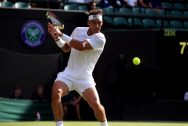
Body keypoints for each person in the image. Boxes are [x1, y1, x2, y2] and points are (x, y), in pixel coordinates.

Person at [48, 9, 108, 126]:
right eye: (94, 22)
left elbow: (81, 46)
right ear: (88, 23)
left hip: (85, 78)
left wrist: (60, 34)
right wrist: (57, 38)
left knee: (96, 105)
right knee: (56, 95)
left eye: (99, 22)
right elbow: (66, 48)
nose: (97, 25)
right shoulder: (78, 30)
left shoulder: (101, 38)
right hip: (68, 75)